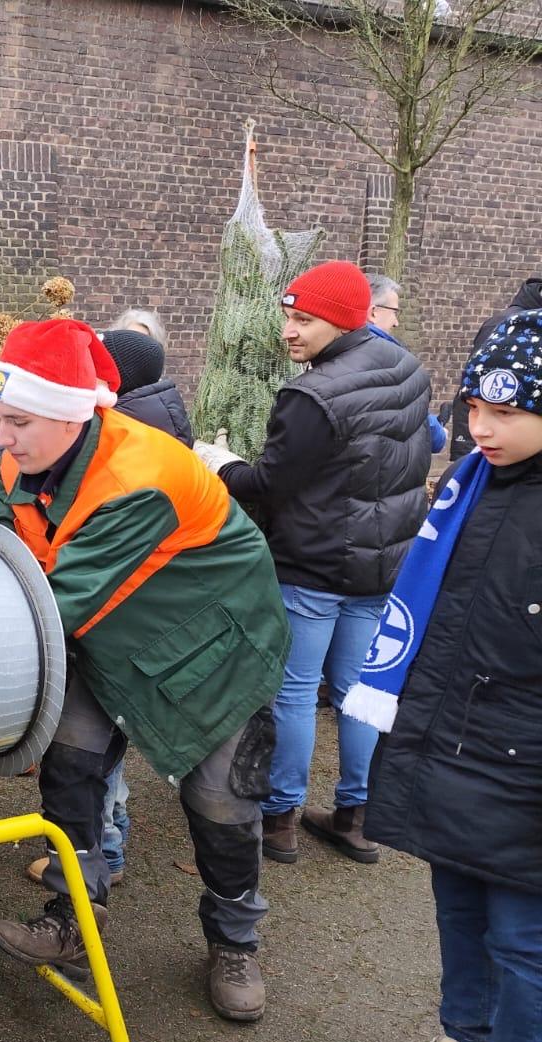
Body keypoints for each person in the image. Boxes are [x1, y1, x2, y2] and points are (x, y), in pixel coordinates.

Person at [0, 319, 289, 1022]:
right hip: (109, 630)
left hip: (212, 642)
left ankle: (234, 941)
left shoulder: (137, 479)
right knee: (71, 760)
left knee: (221, 799)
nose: (3, 439)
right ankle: (74, 916)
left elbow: (52, 603)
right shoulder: (21, 462)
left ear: (70, 414)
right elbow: (8, 560)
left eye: (18, 421)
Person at [350, 312, 542, 1042]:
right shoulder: (475, 481)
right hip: (460, 746)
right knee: (459, 908)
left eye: (506, 412)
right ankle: (470, 1039)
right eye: (473, 406)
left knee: (524, 936)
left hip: (525, 763)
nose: (480, 428)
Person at [196, 260, 431, 866]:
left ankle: (280, 819)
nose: (289, 331)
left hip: (315, 566)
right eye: (287, 317)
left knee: (295, 693)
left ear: (342, 319)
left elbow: (268, 485)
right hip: (383, 566)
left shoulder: (310, 396)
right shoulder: (404, 367)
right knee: (357, 690)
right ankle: (357, 815)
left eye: (304, 319)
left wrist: (215, 462)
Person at [20, 328, 192, 889]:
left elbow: (85, 569)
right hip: (123, 621)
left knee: (96, 753)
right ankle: (104, 851)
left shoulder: (130, 456)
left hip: (114, 628)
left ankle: (106, 854)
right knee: (101, 753)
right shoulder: (159, 423)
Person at [445, 275, 542, 460]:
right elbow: (481, 392)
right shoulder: (506, 326)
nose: (479, 430)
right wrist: (464, 453)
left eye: (504, 412)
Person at [367, 273, 446, 453]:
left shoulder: (332, 348)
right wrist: (440, 432)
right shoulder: (392, 361)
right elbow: (427, 430)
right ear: (373, 312)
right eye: (394, 312)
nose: (396, 322)